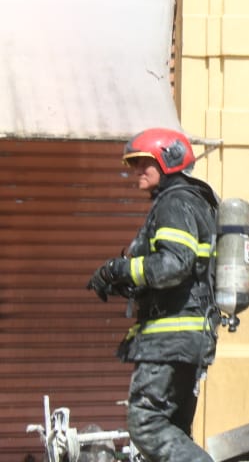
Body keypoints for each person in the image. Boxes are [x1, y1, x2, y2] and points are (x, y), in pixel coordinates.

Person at [86, 128, 220, 462]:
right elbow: (175, 271)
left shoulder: (174, 203)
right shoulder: (189, 201)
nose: (137, 170)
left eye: (144, 162)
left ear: (168, 160)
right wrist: (121, 282)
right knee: (173, 429)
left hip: (170, 338)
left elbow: (173, 265)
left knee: (147, 424)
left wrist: (119, 269)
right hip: (186, 336)